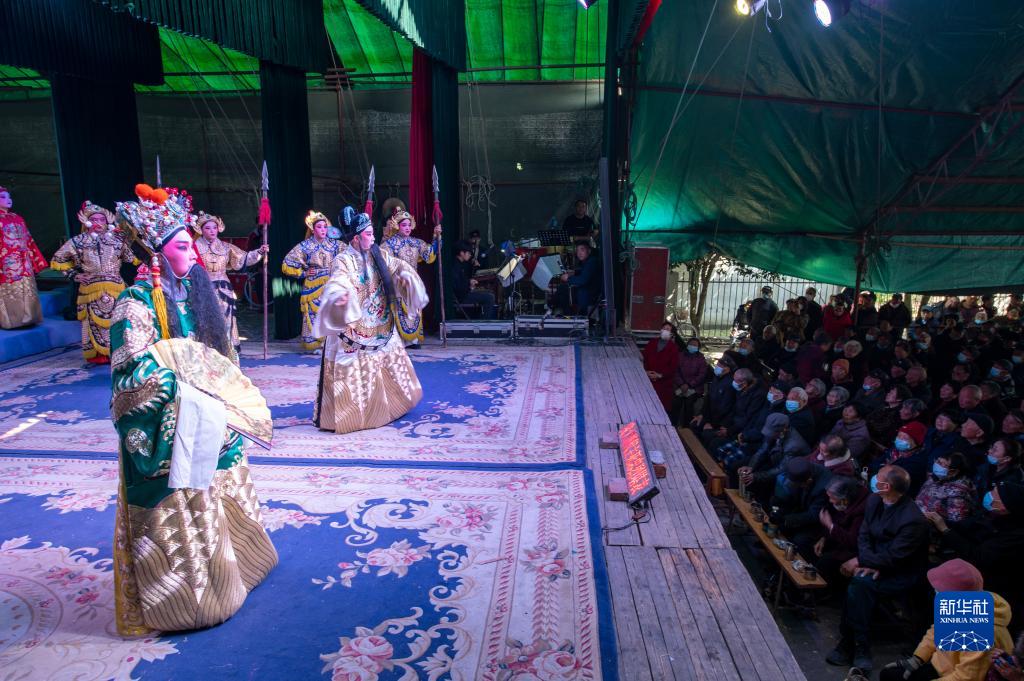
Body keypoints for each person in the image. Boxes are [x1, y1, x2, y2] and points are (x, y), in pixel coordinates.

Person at [109, 183, 277, 635]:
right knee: (183, 486)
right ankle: (192, 594)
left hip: (210, 414)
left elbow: (220, 358)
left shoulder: (196, 294)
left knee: (226, 467)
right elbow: (131, 371)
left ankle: (239, 564)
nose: (193, 253)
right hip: (172, 418)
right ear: (157, 253)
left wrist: (223, 391)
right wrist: (182, 390)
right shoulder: (134, 304)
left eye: (190, 245)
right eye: (183, 246)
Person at [312, 206, 428, 434]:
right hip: (354, 326)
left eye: (372, 233)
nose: (373, 237)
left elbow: (397, 266)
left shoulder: (378, 254)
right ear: (356, 238)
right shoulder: (343, 260)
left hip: (379, 322)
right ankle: (354, 417)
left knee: (390, 360)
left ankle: (393, 407)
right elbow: (338, 279)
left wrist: (404, 276)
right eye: (368, 234)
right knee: (353, 371)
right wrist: (339, 294)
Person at [826, 465, 929, 673]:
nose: (874, 478)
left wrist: (865, 562)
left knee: (860, 585)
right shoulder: (874, 500)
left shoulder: (913, 520)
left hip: (900, 572)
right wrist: (866, 562)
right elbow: (864, 535)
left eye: (879, 477)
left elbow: (896, 557)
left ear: (886, 486)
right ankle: (854, 644)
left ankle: (854, 644)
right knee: (859, 583)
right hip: (874, 562)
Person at [878, 559, 1012, 681]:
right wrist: (917, 658)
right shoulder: (965, 602)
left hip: (958, 676)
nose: (936, 592)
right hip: (943, 668)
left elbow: (967, 678)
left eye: (939, 590)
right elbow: (936, 631)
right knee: (889, 674)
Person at [50, 201, 140, 363]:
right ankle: (99, 355)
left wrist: (131, 237)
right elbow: (58, 260)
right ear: (87, 222)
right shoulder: (78, 241)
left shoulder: (117, 240)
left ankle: (121, 352)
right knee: (92, 321)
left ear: (107, 221)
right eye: (94, 219)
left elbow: (131, 258)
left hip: (115, 286)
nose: (99, 223)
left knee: (118, 320)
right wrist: (74, 275)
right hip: (90, 288)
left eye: (102, 219)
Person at [927, 481, 1024, 627]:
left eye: (995, 493)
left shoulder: (1015, 536)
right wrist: (940, 523)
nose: (990, 494)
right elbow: (968, 527)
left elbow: (978, 556)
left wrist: (946, 531)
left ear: (1003, 506)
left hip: (994, 589)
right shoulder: (992, 516)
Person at [190, 210, 268, 354]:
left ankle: (228, 346)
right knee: (204, 317)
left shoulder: (226, 247)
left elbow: (242, 259)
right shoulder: (193, 248)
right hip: (202, 287)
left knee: (226, 317)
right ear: (201, 230)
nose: (212, 231)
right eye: (208, 228)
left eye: (214, 227)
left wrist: (259, 252)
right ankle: (206, 347)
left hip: (223, 288)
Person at [281, 210, 342, 351]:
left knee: (332, 313)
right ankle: (315, 344)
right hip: (313, 285)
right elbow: (287, 263)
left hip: (331, 283)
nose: (323, 230)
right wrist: (303, 273)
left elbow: (349, 256)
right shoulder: (305, 246)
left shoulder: (335, 245)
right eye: (319, 227)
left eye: (325, 227)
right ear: (313, 230)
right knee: (313, 313)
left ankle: (331, 343)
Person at [381, 207, 442, 346]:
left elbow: (429, 254)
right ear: (397, 226)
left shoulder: (416, 243)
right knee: (399, 309)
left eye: (409, 225)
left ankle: (413, 340)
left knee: (414, 309)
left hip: (413, 282)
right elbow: (383, 264)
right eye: (404, 225)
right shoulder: (389, 244)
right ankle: (399, 339)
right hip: (397, 283)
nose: (407, 228)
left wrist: (436, 237)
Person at [0, 185, 47, 329]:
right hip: (6, 263)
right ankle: (12, 321)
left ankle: (31, 317)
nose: (8, 200)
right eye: (3, 197)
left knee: (27, 288)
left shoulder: (17, 218)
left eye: (9, 196)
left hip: (23, 261)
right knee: (11, 291)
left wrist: (35, 260)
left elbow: (28, 240)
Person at [769, 457, 832, 558]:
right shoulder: (797, 471)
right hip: (801, 507)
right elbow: (790, 494)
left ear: (808, 481)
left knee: (800, 540)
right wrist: (778, 509)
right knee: (778, 521)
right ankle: (770, 552)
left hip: (818, 523)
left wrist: (785, 519)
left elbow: (813, 515)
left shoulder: (823, 487)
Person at [814, 476, 869, 584]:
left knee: (826, 563)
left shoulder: (862, 510)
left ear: (845, 500)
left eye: (832, 498)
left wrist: (830, 525)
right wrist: (824, 538)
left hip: (855, 550)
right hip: (838, 538)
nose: (830, 501)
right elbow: (836, 519)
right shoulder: (842, 502)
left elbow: (852, 541)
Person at [915, 451, 977, 523]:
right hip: (916, 515)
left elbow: (954, 523)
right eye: (937, 461)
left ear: (953, 471)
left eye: (940, 464)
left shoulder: (958, 493)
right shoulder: (936, 477)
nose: (936, 464)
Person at [453, 240, 497, 319]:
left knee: (489, 292)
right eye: (468, 253)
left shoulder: (462, 264)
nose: (470, 255)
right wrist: (469, 284)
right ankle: (484, 322)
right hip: (461, 297)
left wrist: (469, 282)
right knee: (490, 297)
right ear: (462, 253)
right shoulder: (455, 266)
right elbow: (457, 287)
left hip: (464, 293)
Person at [643, 322, 681, 412]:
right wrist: (646, 372)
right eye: (664, 328)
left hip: (664, 384)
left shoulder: (674, 348)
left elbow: (673, 367)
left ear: (671, 334)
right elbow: (645, 358)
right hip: (648, 379)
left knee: (660, 409)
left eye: (668, 329)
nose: (665, 331)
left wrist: (660, 375)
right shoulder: (652, 343)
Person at [556, 242, 602, 315]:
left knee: (563, 290)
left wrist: (568, 279)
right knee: (563, 288)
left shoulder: (592, 262)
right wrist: (575, 272)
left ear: (589, 251)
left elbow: (582, 280)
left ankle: (567, 315)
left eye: (582, 250)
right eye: (577, 251)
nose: (579, 253)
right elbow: (585, 271)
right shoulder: (590, 260)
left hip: (590, 294)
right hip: (589, 291)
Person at [672, 336, 710, 425]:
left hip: (694, 387)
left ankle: (687, 426)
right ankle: (674, 424)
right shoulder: (680, 355)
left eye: (695, 345)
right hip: (680, 386)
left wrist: (689, 385)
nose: (693, 346)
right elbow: (675, 371)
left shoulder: (701, 358)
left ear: (698, 347)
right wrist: (681, 384)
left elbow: (702, 375)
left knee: (689, 403)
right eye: (691, 344)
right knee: (676, 401)